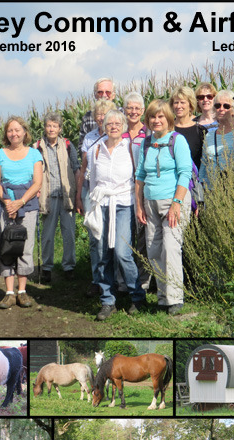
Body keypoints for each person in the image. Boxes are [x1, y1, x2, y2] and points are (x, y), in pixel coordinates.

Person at [80, 109, 147, 320]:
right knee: (101, 253)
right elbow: (91, 180)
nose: (114, 126)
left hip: (123, 203)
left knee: (122, 252)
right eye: (110, 123)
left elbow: (138, 178)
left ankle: (137, 296)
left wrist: (139, 205)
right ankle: (108, 300)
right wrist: (90, 204)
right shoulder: (95, 150)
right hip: (101, 204)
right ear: (105, 126)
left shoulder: (131, 148)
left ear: (124, 126)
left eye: (118, 123)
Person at [135, 99, 192, 316]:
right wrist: (139, 205)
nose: (156, 120)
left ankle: (175, 299)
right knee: (154, 248)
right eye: (152, 117)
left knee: (170, 247)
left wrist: (176, 204)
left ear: (168, 119)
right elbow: (140, 175)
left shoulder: (178, 140)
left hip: (173, 200)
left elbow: (185, 172)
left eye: (160, 116)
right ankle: (162, 297)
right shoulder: (146, 143)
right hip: (150, 201)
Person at [0, 116, 43, 309]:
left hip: (27, 205)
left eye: (17, 130)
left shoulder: (34, 154)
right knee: (7, 247)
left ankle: (22, 292)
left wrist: (20, 202)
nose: (14, 134)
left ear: (24, 132)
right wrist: (7, 202)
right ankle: (9, 293)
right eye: (10, 130)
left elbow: (37, 182)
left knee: (25, 247)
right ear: (6, 134)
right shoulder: (0, 154)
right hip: (5, 203)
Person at [77, 98, 117, 298]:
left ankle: (114, 280)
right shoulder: (89, 138)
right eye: (99, 114)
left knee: (113, 237)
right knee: (95, 237)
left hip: (112, 193)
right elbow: (83, 168)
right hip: (91, 191)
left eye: (106, 113)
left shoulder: (119, 137)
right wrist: (78, 195)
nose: (102, 117)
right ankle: (96, 279)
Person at [34, 111, 80, 282]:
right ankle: (46, 268)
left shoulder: (68, 145)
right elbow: (34, 171)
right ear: (45, 128)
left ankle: (69, 267)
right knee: (47, 235)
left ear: (60, 128)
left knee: (68, 235)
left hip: (66, 195)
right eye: (48, 125)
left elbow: (76, 169)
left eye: (55, 126)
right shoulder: (37, 146)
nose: (51, 129)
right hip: (47, 197)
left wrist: (77, 195)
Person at [121, 91, 151, 291]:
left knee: (142, 235)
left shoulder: (148, 133)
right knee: (125, 236)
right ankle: (124, 279)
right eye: (129, 108)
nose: (133, 112)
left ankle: (143, 280)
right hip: (123, 191)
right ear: (124, 111)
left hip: (143, 189)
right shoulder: (118, 132)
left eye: (137, 108)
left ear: (142, 111)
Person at [170, 85, 208, 174]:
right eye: (176, 102)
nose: (179, 106)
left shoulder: (200, 131)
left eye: (182, 102)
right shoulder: (167, 129)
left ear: (190, 105)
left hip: (192, 183)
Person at [79, 77, 118, 148]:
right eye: (100, 92)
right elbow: (82, 145)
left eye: (108, 92)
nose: (104, 95)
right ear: (95, 95)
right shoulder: (88, 117)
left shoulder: (122, 114)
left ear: (113, 95)